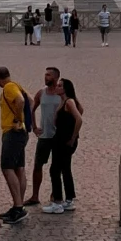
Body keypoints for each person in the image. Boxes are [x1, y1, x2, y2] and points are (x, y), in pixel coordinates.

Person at [0, 66, 32, 222]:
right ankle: (19, 205)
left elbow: (22, 100)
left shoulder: (9, 87)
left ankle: (18, 207)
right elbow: (31, 100)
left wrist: (18, 118)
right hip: (21, 132)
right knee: (19, 168)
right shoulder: (17, 84)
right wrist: (26, 121)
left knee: (7, 167)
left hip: (12, 132)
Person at [43, 77, 83, 213]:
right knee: (65, 169)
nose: (57, 87)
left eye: (60, 86)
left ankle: (58, 201)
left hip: (64, 141)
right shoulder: (63, 102)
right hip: (60, 139)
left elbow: (79, 118)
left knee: (55, 170)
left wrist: (73, 137)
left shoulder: (69, 102)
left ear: (65, 89)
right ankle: (69, 199)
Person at [29, 68, 64, 209]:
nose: (45, 77)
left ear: (55, 78)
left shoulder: (61, 94)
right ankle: (35, 195)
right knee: (38, 165)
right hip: (44, 136)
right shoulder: (41, 93)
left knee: (57, 167)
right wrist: (34, 126)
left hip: (57, 136)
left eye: (48, 75)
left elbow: (76, 108)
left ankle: (55, 194)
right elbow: (32, 108)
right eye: (45, 74)